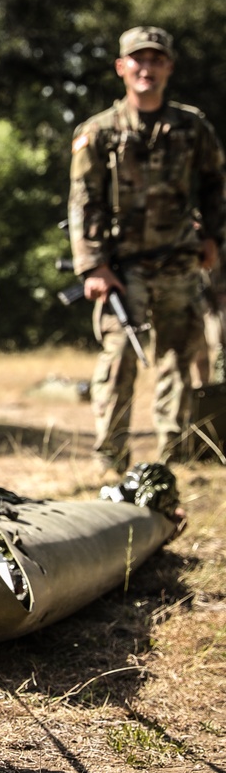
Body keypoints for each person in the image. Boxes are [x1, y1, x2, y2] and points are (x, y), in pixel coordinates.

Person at [68, 24, 225, 476]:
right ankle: (110, 458)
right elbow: (83, 200)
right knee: (120, 356)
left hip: (180, 261)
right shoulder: (98, 132)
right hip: (122, 270)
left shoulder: (192, 127)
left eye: (157, 60)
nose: (147, 68)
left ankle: (174, 456)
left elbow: (216, 184)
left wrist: (214, 237)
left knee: (180, 357)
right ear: (122, 67)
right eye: (139, 59)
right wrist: (93, 264)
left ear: (169, 68)